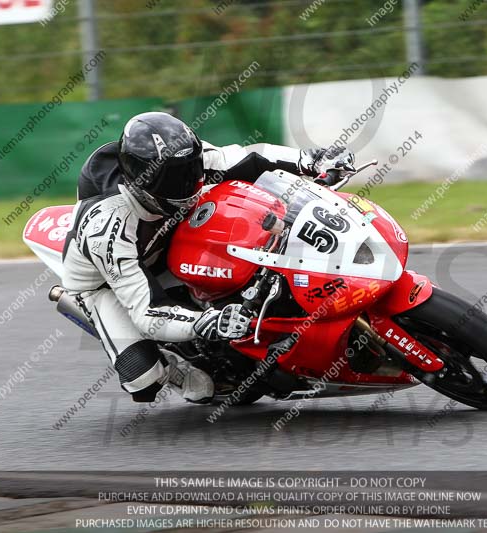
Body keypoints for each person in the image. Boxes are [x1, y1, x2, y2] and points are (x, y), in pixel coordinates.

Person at [60, 111, 355, 404]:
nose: (188, 183)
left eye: (189, 170)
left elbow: (251, 159)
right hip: (109, 283)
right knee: (142, 378)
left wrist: (308, 160)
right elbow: (146, 310)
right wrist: (204, 322)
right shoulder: (108, 226)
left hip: (168, 239)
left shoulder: (184, 158)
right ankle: (177, 372)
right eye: (173, 179)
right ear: (141, 181)